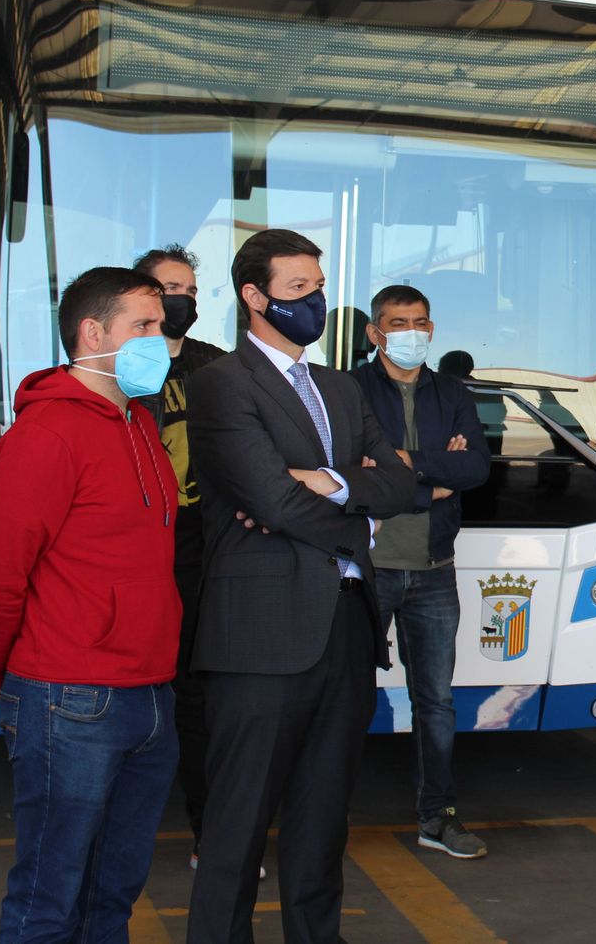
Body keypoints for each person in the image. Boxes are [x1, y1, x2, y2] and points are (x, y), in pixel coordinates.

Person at [184, 229, 414, 944]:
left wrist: (333, 481)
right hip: (260, 637)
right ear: (254, 298)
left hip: (345, 627)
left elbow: (402, 480)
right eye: (296, 291)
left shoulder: (341, 388)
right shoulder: (223, 383)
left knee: (322, 821)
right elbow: (269, 499)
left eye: (318, 286)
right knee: (237, 827)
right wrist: (359, 517)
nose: (315, 302)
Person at [0, 266, 181, 943]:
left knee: (112, 893)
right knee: (47, 898)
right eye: (143, 326)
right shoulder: (47, 434)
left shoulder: (139, 423)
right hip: (69, 696)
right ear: (93, 333)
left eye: (160, 326)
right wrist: (14, 682)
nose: (161, 340)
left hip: (148, 694)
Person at [351, 285, 491, 858]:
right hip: (366, 569)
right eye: (398, 322)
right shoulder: (351, 389)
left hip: (434, 569)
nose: (412, 332)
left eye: (421, 322)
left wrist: (402, 466)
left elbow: (476, 466)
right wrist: (431, 480)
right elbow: (347, 471)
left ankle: (438, 819)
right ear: (375, 333)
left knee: (435, 701)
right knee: (343, 700)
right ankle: (323, 815)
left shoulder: (451, 391)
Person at [131, 244, 228, 867]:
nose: (182, 300)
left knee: (199, 706)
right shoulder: (120, 370)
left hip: (204, 563)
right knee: (131, 703)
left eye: (190, 289)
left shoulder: (217, 367)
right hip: (136, 566)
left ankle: (208, 836)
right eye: (170, 288)